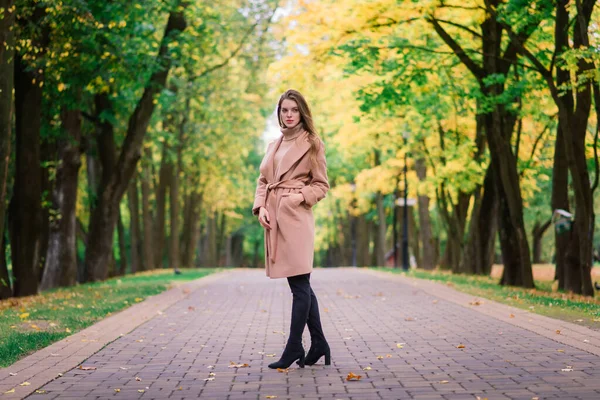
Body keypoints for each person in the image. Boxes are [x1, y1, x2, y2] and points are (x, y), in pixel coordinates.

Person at [252, 89, 331, 369]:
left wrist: (298, 198)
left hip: (296, 218)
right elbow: (264, 180)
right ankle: (319, 343)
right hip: (274, 216)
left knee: (299, 285)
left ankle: (294, 346)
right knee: (301, 285)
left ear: (301, 112)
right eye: (284, 110)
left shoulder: (312, 143)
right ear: (279, 113)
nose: (288, 115)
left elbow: (321, 184)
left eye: (293, 110)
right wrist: (261, 206)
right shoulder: (273, 144)